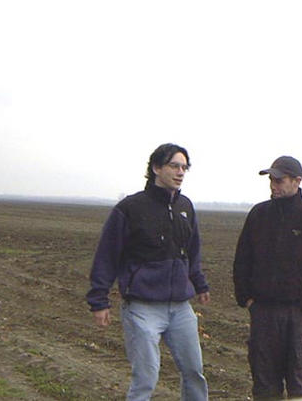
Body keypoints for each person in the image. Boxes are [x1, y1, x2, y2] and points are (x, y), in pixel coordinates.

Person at [87, 143, 210, 401]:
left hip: (180, 308)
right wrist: (99, 300)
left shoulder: (185, 207)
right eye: (174, 166)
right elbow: (107, 256)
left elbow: (192, 250)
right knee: (146, 377)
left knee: (194, 373)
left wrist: (199, 283)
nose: (180, 172)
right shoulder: (130, 209)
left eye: (184, 167)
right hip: (142, 308)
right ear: (156, 168)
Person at [233, 155, 302, 399]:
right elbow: (242, 260)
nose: (273, 185)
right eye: (271, 179)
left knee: (300, 383)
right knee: (264, 384)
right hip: (263, 313)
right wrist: (247, 299)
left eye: (279, 180)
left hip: (297, 314)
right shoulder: (259, 215)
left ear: (297, 181)